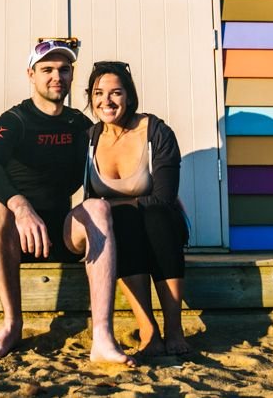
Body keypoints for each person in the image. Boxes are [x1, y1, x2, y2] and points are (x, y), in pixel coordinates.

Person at [0, 39, 134, 365]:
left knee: (99, 208)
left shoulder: (79, 124)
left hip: (61, 235)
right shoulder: (15, 120)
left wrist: (161, 189)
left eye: (64, 70)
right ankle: (12, 324)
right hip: (15, 237)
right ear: (31, 75)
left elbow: (116, 155)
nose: (56, 76)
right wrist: (20, 207)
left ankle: (103, 336)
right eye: (47, 69)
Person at [84, 60, 191, 355]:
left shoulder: (155, 131)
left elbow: (164, 197)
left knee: (152, 215)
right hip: (124, 230)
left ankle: (174, 328)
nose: (106, 100)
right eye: (98, 93)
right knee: (122, 220)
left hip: (163, 225)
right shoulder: (89, 140)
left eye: (116, 92)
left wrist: (120, 205)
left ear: (129, 96)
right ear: (91, 99)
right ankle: (148, 331)